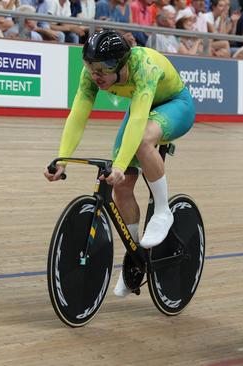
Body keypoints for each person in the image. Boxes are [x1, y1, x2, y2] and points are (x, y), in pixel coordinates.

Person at [44, 30, 195, 298]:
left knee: (142, 142)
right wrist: (62, 159)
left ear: (122, 63)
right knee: (121, 187)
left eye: (103, 68)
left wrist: (120, 164)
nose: (96, 74)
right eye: (90, 66)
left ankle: (163, 210)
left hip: (175, 105)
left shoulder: (142, 66)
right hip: (142, 106)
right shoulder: (91, 74)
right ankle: (136, 256)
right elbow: (78, 114)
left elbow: (138, 120)